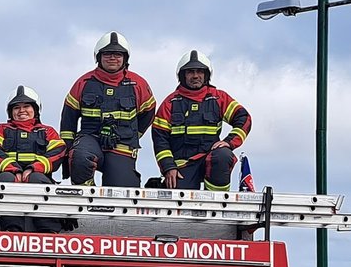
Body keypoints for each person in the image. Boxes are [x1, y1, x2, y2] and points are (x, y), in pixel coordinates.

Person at [61, 31, 157, 187]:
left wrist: (132, 134)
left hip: (122, 143)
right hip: (90, 137)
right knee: (80, 157)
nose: (112, 58)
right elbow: (68, 118)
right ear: (98, 57)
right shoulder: (84, 82)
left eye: (118, 54)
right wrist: (68, 148)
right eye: (107, 54)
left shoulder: (137, 84)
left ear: (125, 58)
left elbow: (148, 112)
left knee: (121, 190)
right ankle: (86, 194)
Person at [150, 50, 252, 191]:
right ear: (182, 75)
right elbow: (160, 140)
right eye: (190, 72)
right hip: (182, 165)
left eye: (200, 72)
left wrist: (229, 142)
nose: (195, 76)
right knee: (180, 201)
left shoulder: (218, 98)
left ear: (206, 75)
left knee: (223, 155)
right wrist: (168, 167)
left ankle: (217, 201)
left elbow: (243, 118)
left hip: (211, 159)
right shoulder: (170, 103)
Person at [0, 85, 67, 233]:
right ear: (10, 111)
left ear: (35, 110)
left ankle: (48, 231)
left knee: (37, 179)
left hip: (39, 177)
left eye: (26, 106)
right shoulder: (2, 129)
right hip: (10, 175)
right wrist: (14, 170)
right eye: (16, 107)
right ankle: (11, 229)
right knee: (5, 178)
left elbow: (59, 151)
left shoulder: (47, 131)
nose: (21, 110)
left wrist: (33, 168)